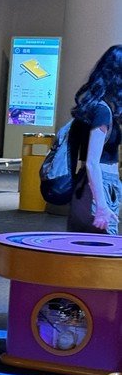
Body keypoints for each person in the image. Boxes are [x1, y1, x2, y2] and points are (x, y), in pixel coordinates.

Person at [67, 45, 122, 235]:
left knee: (87, 244)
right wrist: (101, 206)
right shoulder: (102, 111)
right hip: (100, 184)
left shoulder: (95, 107)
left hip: (91, 184)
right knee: (103, 246)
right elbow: (92, 162)